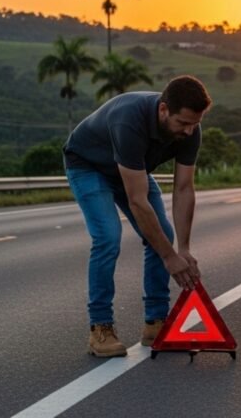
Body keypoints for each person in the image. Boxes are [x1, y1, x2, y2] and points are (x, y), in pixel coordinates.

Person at [63, 75, 211, 357]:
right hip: (89, 166)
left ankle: (156, 323)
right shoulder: (128, 119)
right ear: (164, 109)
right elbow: (137, 201)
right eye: (183, 123)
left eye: (195, 123)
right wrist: (170, 258)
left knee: (163, 235)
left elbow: (183, 188)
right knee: (108, 237)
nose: (189, 131)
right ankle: (100, 329)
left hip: (131, 169)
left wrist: (184, 249)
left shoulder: (191, 130)